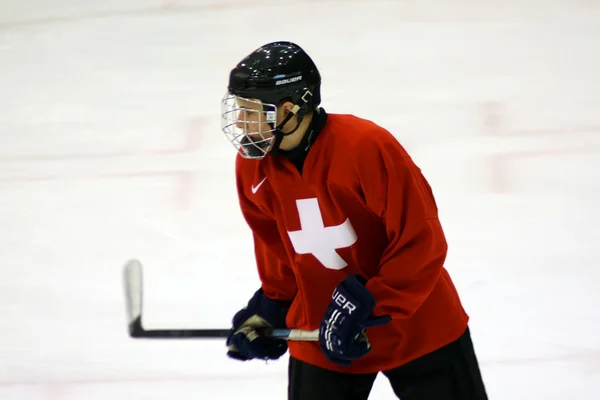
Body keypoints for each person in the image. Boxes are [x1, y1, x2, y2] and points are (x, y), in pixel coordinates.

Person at [221, 41, 488, 400]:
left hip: (416, 326)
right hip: (321, 329)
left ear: (288, 109)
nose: (240, 122)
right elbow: (279, 253)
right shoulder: (253, 166)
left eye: (250, 111)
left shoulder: (365, 146)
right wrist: (272, 309)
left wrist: (371, 303)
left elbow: (420, 240)